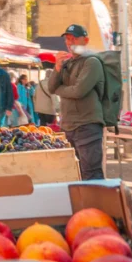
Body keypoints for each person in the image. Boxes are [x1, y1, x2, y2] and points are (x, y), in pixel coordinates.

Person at [47, 24, 106, 180]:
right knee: (73, 172)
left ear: (85, 40)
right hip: (68, 125)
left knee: (91, 173)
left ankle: (97, 197)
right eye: (67, 39)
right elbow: (51, 87)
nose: (69, 42)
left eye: (73, 38)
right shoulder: (67, 63)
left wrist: (60, 89)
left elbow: (78, 91)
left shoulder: (92, 62)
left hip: (87, 125)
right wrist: (57, 67)